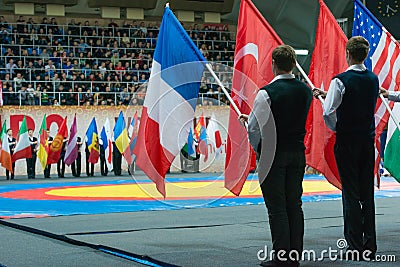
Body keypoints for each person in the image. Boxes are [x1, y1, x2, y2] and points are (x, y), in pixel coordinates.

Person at [239, 45, 312, 266]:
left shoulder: (266, 93)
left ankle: (281, 255)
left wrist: (258, 149)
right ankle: (294, 255)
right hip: (297, 152)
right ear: (293, 64)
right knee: (294, 204)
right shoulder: (305, 90)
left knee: (277, 207)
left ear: (273, 65)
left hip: (274, 154)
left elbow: (254, 128)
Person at [313, 36, 379, 260]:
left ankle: (354, 245)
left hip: (348, 140)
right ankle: (370, 244)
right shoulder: (373, 79)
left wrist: (338, 127)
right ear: (365, 55)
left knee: (350, 193)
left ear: (348, 54)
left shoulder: (339, 80)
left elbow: (328, 111)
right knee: (366, 192)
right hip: (366, 141)